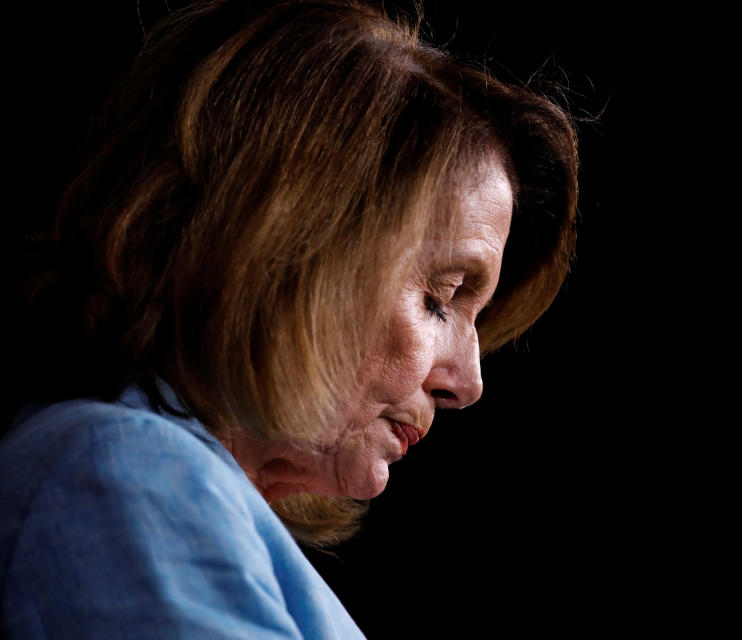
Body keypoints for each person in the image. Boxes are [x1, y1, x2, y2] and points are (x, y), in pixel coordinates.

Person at [0, 0, 577, 637]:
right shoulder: (117, 467)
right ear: (277, 256)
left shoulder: (167, 487)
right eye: (440, 299)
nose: (467, 382)